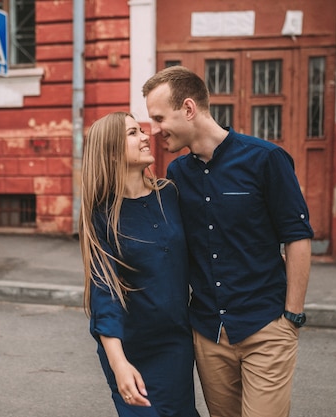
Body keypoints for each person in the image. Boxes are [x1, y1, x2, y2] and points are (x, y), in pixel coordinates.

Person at [142, 66, 314, 417]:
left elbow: (297, 237)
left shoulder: (265, 159)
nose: (154, 129)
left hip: (265, 327)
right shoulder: (177, 173)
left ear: (188, 109)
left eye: (159, 118)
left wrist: (291, 317)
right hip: (208, 334)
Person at [78, 111, 200, 417]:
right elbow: (103, 293)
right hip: (129, 348)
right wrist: (119, 365)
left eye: (141, 130)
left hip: (175, 342)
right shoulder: (101, 214)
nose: (146, 137)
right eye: (133, 133)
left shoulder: (170, 195)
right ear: (111, 151)